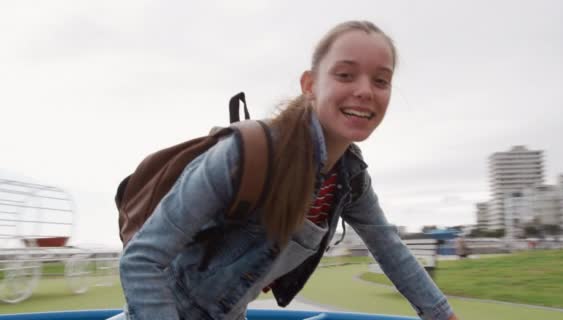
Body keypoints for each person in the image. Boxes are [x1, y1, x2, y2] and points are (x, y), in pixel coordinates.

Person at [115, 20, 459, 320]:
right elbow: (142, 260)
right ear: (309, 85)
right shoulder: (247, 155)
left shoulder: (349, 178)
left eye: (381, 80)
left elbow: (390, 249)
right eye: (345, 74)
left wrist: (442, 315)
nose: (365, 91)